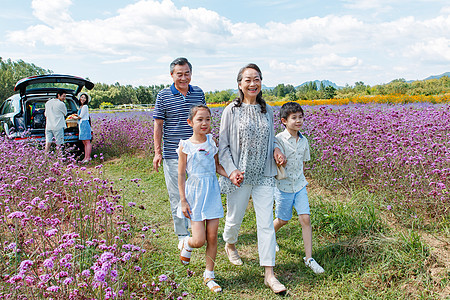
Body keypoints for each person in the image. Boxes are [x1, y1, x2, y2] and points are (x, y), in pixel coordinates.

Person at [218, 63, 287, 294]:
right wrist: (231, 170)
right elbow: (223, 146)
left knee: (266, 224)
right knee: (234, 218)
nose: (252, 83)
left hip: (264, 175)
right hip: (239, 175)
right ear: (239, 84)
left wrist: (277, 149)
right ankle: (230, 243)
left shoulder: (267, 110)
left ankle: (269, 274)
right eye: (247, 79)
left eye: (256, 79)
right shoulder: (231, 110)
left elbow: (272, 138)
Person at [152, 57, 206, 249]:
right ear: (172, 75)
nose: (183, 78)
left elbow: (202, 120)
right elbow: (158, 125)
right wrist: (158, 152)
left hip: (197, 153)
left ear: (191, 73)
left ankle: (196, 229)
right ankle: (182, 234)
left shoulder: (198, 93)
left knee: (196, 193)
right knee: (177, 195)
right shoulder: (163, 95)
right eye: (179, 74)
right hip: (173, 154)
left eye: (187, 73)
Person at [178, 105, 227, 293]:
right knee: (199, 240)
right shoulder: (185, 146)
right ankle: (187, 244)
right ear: (190, 122)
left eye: (207, 119)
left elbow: (216, 166)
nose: (204, 123)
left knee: (213, 236)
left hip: (212, 193)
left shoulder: (211, 142)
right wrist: (183, 200)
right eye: (200, 119)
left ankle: (209, 274)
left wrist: (230, 175)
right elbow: (181, 174)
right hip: (195, 195)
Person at [273, 102, 324, 274]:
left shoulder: (304, 141)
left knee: (305, 219)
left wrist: (302, 178)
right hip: (283, 187)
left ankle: (309, 258)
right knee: (283, 220)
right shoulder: (278, 139)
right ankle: (269, 236)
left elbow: (303, 163)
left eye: (300, 117)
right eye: (293, 118)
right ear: (284, 121)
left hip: (300, 185)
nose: (298, 121)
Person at [74, 92, 92, 163]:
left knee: (87, 142)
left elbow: (80, 116)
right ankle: (85, 157)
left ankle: (88, 157)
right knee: (84, 142)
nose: (83, 99)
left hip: (85, 124)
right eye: (82, 97)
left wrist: (73, 117)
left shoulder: (85, 107)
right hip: (81, 125)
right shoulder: (81, 107)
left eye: (84, 98)